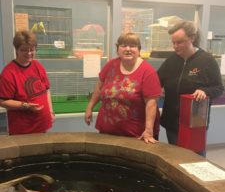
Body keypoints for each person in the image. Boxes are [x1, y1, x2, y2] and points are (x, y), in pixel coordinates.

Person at [157, 20, 224, 153]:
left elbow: (218, 88)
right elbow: (157, 80)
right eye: (173, 42)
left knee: (194, 161)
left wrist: (204, 91)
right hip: (172, 124)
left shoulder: (207, 60)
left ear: (192, 38)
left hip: (194, 125)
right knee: (175, 160)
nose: (175, 46)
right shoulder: (171, 60)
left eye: (180, 42)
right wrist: (157, 89)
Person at [84, 32, 162, 143]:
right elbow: (99, 88)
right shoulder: (111, 65)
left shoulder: (148, 72)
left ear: (139, 50)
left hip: (135, 136)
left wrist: (148, 130)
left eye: (133, 46)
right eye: (124, 45)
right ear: (117, 49)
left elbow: (151, 104)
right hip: (107, 131)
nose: (128, 49)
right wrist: (89, 107)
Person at [0, 30, 55, 135]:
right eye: (24, 50)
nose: (29, 53)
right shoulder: (8, 73)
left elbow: (46, 90)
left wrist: (51, 112)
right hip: (23, 130)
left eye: (32, 49)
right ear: (17, 50)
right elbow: (3, 101)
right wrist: (26, 105)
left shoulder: (37, 65)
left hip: (42, 125)